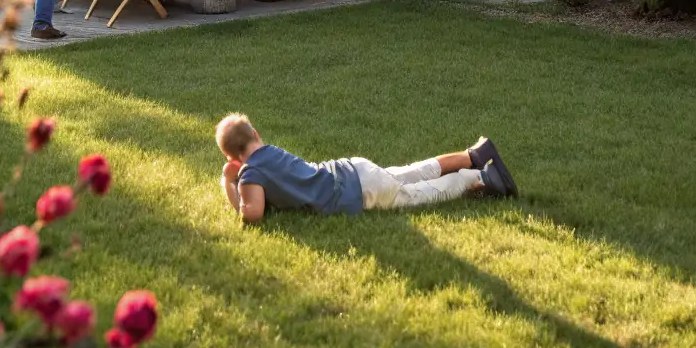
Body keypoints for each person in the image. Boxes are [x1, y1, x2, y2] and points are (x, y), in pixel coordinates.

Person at [215, 113, 517, 223]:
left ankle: (477, 176)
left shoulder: (250, 174)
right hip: (353, 169)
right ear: (256, 136)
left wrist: (229, 183)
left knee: (418, 194)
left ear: (233, 158)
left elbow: (252, 214)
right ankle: (473, 154)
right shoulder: (270, 153)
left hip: (358, 193)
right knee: (412, 172)